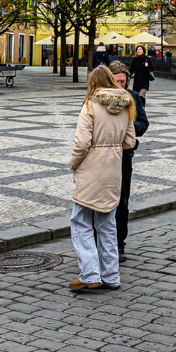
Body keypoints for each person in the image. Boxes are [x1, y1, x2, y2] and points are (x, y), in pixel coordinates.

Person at [68, 66, 137, 291]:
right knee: (107, 224)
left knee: (80, 221)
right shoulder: (127, 105)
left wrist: (73, 164)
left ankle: (89, 275)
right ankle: (111, 276)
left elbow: (81, 143)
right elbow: (130, 142)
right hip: (113, 170)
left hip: (91, 169)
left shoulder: (90, 105)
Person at [107, 62, 148, 262]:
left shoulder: (133, 98)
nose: (120, 85)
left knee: (122, 203)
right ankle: (101, 242)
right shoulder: (99, 98)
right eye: (116, 81)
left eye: (123, 81)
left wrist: (129, 126)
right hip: (103, 158)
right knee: (101, 202)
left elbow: (143, 124)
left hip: (124, 156)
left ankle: (118, 245)